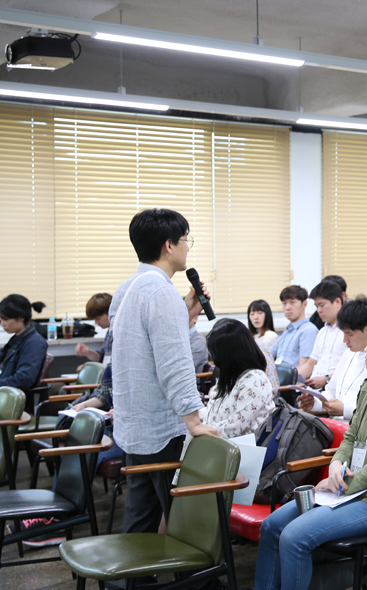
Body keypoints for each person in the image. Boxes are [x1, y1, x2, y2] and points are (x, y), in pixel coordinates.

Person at [255, 315, 367, 590]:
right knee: (271, 526)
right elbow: (351, 435)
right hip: (349, 490)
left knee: (293, 537)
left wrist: (345, 481)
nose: (366, 349)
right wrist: (338, 462)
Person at [109, 208, 219, 535]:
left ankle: (131, 582)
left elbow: (142, 346)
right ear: (169, 245)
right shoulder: (161, 292)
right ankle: (197, 584)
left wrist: (184, 309)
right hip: (162, 430)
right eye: (187, 240)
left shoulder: (128, 288)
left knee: (141, 516)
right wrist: (194, 421)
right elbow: (173, 362)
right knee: (186, 522)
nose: (189, 247)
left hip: (134, 426)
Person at [302, 296, 367, 421]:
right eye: (343, 333)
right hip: (336, 427)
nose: (344, 340)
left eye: (349, 334)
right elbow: (331, 392)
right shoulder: (348, 354)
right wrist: (313, 403)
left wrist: (345, 410)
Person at [200, 318, 276, 438]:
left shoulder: (255, 380)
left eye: (216, 354)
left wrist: (201, 430)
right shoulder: (228, 376)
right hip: (218, 443)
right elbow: (212, 413)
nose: (214, 360)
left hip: (243, 449)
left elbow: (236, 427)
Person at [0, 295, 48, 393]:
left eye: (5, 319)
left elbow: (23, 379)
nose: (2, 324)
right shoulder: (17, 339)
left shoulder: (35, 343)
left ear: (21, 318)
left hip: (7, 400)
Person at [269, 284, 319, 379]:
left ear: (304, 304)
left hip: (291, 384)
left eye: (292, 302)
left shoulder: (308, 330)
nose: (287, 307)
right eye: (284, 303)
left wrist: (279, 381)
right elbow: (269, 354)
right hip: (277, 378)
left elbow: (305, 366)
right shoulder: (287, 331)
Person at [305, 280, 348, 388]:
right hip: (315, 389)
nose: (319, 310)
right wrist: (291, 378)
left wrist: (327, 379)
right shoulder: (322, 332)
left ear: (338, 302)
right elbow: (310, 364)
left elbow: (353, 367)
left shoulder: (349, 331)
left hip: (336, 387)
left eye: (322, 305)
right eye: (316, 306)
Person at [74, 293, 113, 364]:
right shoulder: (109, 332)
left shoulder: (121, 333)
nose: (96, 322)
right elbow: (101, 357)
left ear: (110, 312)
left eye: (98, 318)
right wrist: (88, 352)